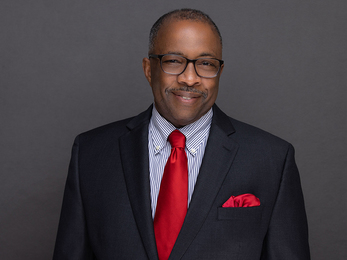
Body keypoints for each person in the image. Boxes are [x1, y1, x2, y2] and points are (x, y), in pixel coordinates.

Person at [53, 8, 310, 260]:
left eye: (206, 64)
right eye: (174, 61)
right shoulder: (91, 153)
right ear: (148, 69)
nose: (190, 78)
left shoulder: (272, 159)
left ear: (219, 72)